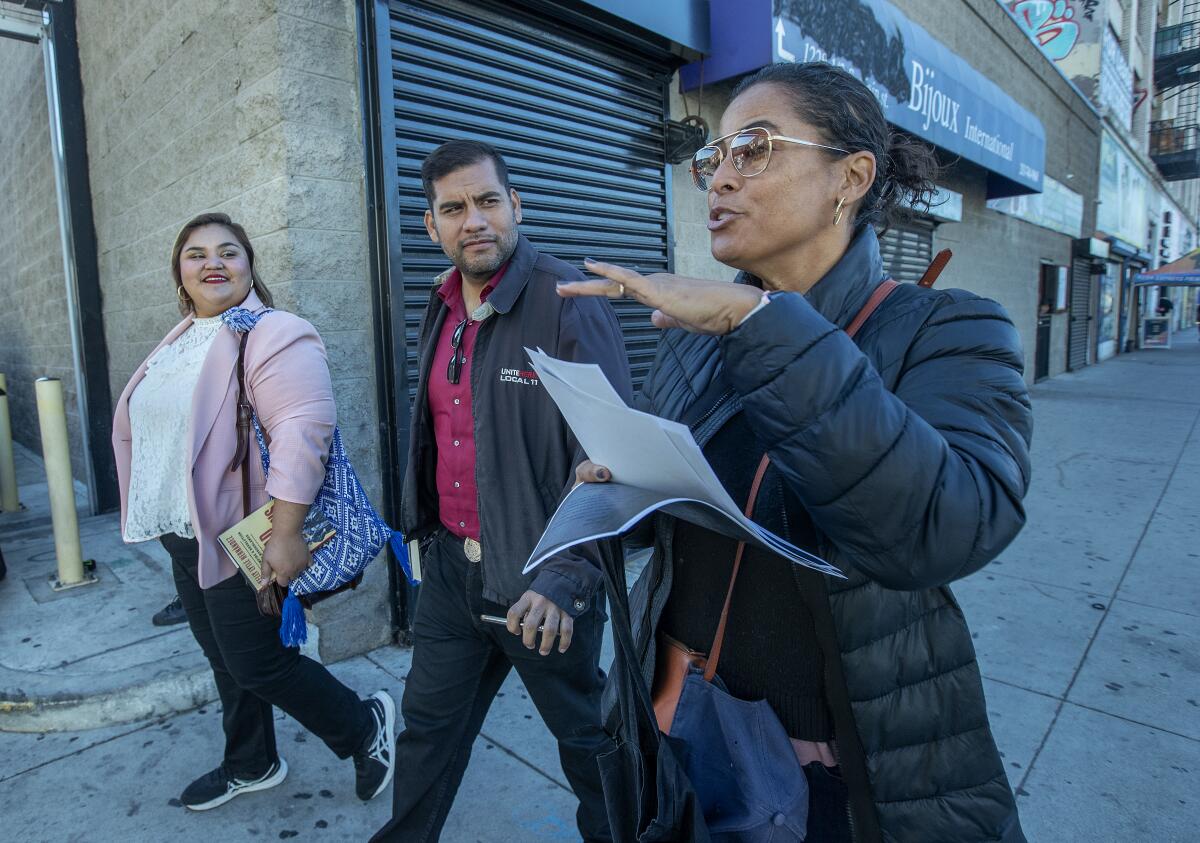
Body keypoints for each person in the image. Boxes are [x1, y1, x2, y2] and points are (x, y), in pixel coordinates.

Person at [560, 62, 1033, 842]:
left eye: (754, 149)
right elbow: (668, 526)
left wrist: (759, 321)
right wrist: (619, 483)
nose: (720, 179)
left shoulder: (949, 328)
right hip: (675, 709)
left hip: (834, 760)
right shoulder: (694, 335)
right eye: (713, 159)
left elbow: (954, 523)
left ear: (850, 176)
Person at [372, 141, 630, 842]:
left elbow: (610, 458)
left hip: (538, 583)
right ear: (431, 225)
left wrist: (567, 576)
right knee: (426, 730)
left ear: (516, 205)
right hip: (454, 573)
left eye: (488, 201)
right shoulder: (442, 302)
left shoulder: (564, 300)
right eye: (453, 208)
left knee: (589, 744)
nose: (473, 220)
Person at [112, 213, 396, 811]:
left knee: (258, 662)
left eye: (229, 252)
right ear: (179, 273)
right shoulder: (181, 338)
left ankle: (363, 724)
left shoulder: (271, 331)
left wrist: (287, 532)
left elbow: (302, 429)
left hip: (244, 536)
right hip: (184, 536)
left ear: (248, 266)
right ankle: (252, 761)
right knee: (224, 659)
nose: (212, 262)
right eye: (196, 254)